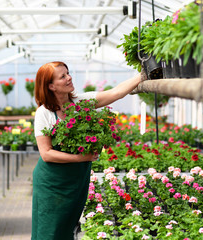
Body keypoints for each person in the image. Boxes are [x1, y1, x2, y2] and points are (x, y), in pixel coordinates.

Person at [32, 61, 145, 240]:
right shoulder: (44, 113)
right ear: (51, 86)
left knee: (67, 228)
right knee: (49, 231)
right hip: (52, 183)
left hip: (77, 180)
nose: (69, 77)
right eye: (63, 76)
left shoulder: (81, 102)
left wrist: (144, 74)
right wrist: (80, 157)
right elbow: (46, 153)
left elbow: (115, 93)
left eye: (68, 73)